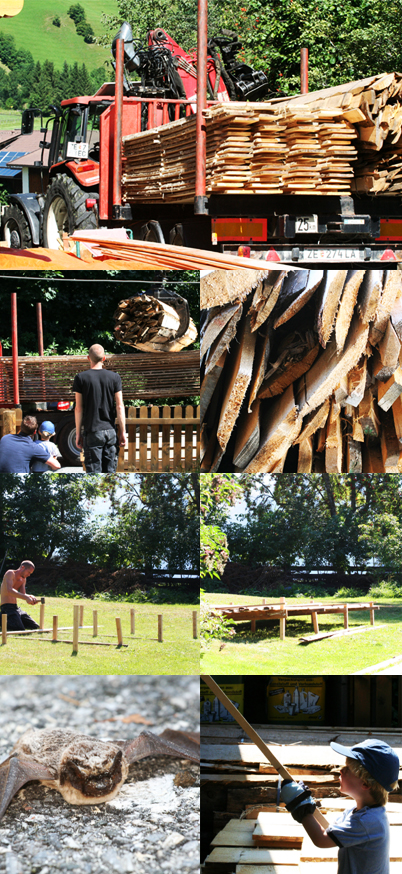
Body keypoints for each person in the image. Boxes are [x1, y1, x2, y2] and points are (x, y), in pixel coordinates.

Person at [281, 737, 400, 874]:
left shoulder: (366, 822)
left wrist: (300, 806)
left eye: (348, 769)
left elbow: (321, 840)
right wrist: (307, 803)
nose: (341, 770)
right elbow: (329, 832)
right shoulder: (359, 813)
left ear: (366, 784)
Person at [73, 344, 127, 473]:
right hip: (110, 431)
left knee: (94, 473)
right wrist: (123, 432)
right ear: (104, 358)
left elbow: (78, 409)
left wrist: (78, 433)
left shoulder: (80, 378)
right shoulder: (115, 377)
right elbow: (120, 406)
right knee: (110, 472)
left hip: (92, 431)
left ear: (88, 358)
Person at [1, 560, 40, 631]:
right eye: (28, 572)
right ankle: (2, 618)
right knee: (19, 628)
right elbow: (9, 590)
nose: (29, 575)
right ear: (22, 567)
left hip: (16, 608)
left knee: (35, 626)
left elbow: (23, 594)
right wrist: (26, 597)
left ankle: (11, 619)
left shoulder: (23, 579)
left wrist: (31, 597)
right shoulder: (10, 573)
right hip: (6, 607)